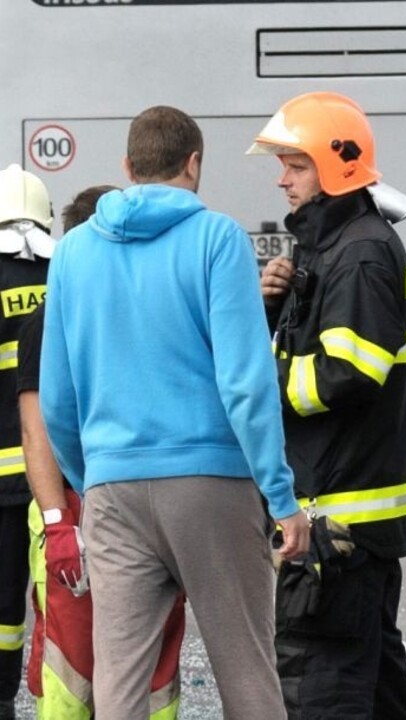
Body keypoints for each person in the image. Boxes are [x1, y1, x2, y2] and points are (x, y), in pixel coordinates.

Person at [39, 105, 309, 720]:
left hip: (113, 487)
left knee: (121, 683)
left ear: (128, 167)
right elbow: (245, 381)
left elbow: (57, 397)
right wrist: (281, 494)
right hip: (210, 482)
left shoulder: (74, 252)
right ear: (194, 164)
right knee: (245, 670)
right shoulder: (217, 239)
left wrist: (94, 478)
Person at [248, 91, 406, 719]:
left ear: (334, 166)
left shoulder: (359, 252)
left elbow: (350, 374)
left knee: (320, 690)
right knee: (377, 690)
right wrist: (275, 309)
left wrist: (263, 382)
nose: (282, 178)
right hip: (347, 520)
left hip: (340, 522)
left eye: (294, 165)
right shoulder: (334, 246)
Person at [23, 185, 187, 720]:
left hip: (134, 500)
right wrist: (57, 523)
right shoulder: (49, 319)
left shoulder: (132, 308)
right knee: (74, 665)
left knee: (154, 662)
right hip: (75, 506)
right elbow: (39, 430)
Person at [0, 163, 57, 720]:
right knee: (60, 598)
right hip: (56, 475)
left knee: (0, 605)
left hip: (1, 483)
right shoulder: (67, 269)